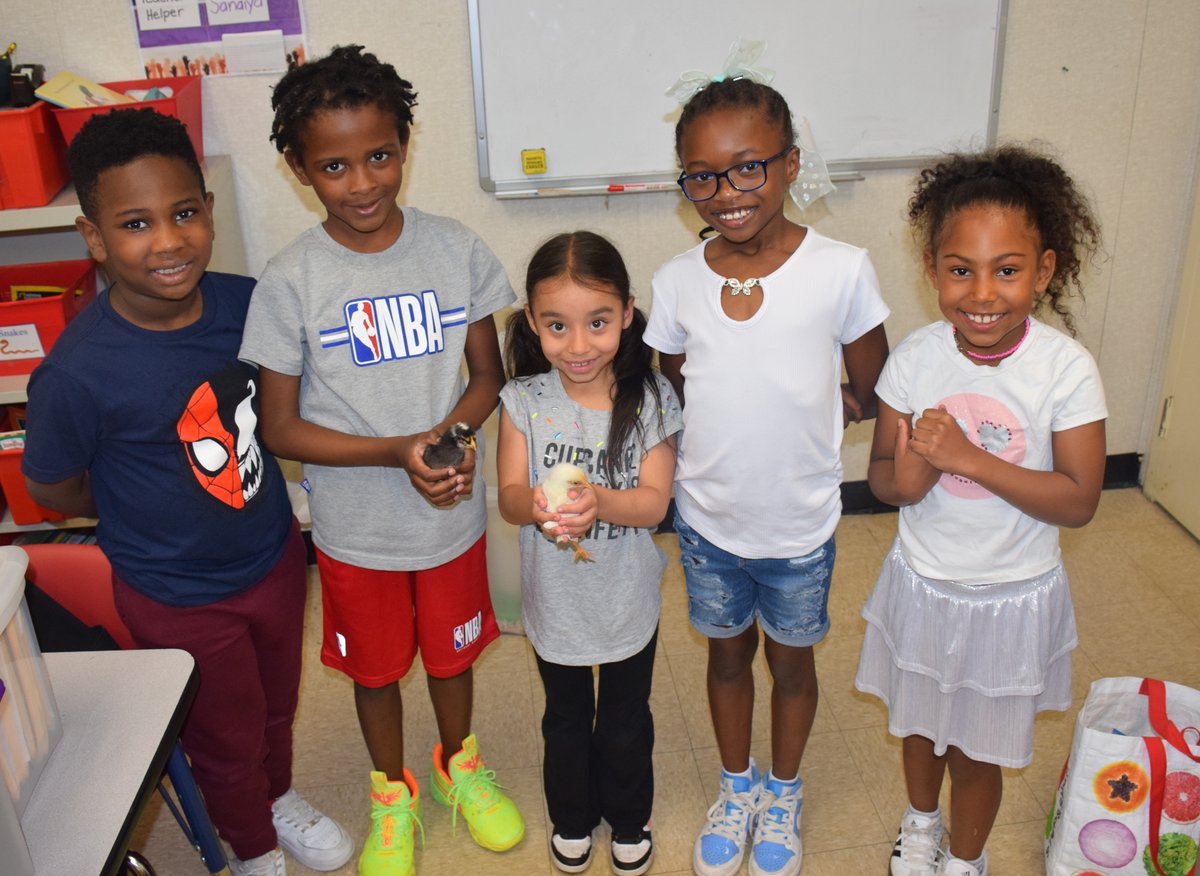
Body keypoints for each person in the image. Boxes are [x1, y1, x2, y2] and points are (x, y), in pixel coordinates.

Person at [20, 108, 352, 876]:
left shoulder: (250, 304)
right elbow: (52, 490)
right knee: (223, 736)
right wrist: (143, 509)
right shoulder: (76, 372)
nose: (168, 241)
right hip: (174, 591)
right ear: (95, 238)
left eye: (184, 213)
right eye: (135, 223)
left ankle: (275, 799)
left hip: (271, 557)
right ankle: (254, 849)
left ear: (207, 209)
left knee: (274, 707)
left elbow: (283, 412)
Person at [238, 45, 523, 876]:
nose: (362, 182)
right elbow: (281, 428)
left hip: (451, 515)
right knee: (375, 670)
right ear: (298, 168)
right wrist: (393, 453)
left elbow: (487, 376)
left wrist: (453, 442)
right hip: (356, 531)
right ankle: (390, 792)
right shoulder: (291, 281)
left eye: (380, 156)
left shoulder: (454, 249)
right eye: (334, 165)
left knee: (453, 654)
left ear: (404, 143)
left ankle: (457, 766)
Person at [645, 61, 891, 876]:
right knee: (723, 657)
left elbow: (870, 383)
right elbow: (674, 385)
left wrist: (822, 410)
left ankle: (782, 791)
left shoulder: (842, 269)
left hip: (798, 523)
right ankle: (737, 783)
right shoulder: (677, 282)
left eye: (749, 165)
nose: (728, 191)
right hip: (709, 520)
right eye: (703, 176)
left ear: (790, 162)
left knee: (791, 663)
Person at [854, 145, 1107, 876]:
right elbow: (884, 483)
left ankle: (966, 858)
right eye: (961, 270)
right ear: (933, 268)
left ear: (1045, 270)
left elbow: (1080, 499)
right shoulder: (916, 358)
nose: (982, 293)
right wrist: (917, 472)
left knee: (977, 747)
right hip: (924, 583)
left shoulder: (1064, 369)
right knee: (921, 727)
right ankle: (922, 825)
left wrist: (971, 460)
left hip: (1011, 596)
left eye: (1008, 269)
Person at [496, 231, 683, 875]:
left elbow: (655, 504)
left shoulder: (654, 398)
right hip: (557, 602)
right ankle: (572, 818)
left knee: (627, 718)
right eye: (557, 326)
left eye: (598, 323)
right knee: (566, 719)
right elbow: (510, 499)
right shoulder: (523, 400)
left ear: (628, 313)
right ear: (533, 323)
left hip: (628, 597)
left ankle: (631, 817)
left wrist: (599, 501)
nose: (578, 346)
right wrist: (539, 505)